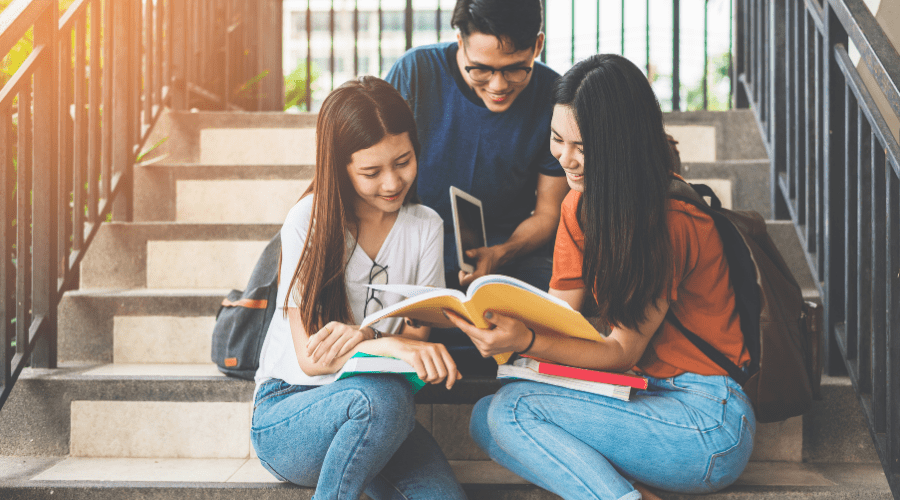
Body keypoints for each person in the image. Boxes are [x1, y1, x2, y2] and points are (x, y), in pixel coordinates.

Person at [445, 54, 755, 500]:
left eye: (584, 147)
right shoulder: (579, 205)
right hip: (640, 396)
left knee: (513, 413)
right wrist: (484, 316)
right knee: (485, 416)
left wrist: (525, 341)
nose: (566, 160)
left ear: (622, 142)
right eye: (556, 140)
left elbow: (619, 350)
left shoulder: (669, 219)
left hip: (706, 421)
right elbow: (558, 315)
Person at [251, 76, 467, 500]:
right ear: (341, 167)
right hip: (292, 410)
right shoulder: (307, 221)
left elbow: (418, 334)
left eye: (403, 162)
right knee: (382, 399)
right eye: (371, 172)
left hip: (383, 411)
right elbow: (313, 359)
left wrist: (371, 337)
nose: (391, 183)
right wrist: (391, 344)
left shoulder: (425, 226)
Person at [386, 0, 570, 292]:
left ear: (537, 46)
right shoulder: (415, 73)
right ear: (460, 41)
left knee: (548, 304)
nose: (498, 86)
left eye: (515, 70)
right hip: (412, 244)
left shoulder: (552, 95)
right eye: (481, 70)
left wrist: (501, 253)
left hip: (512, 255)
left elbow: (548, 213)